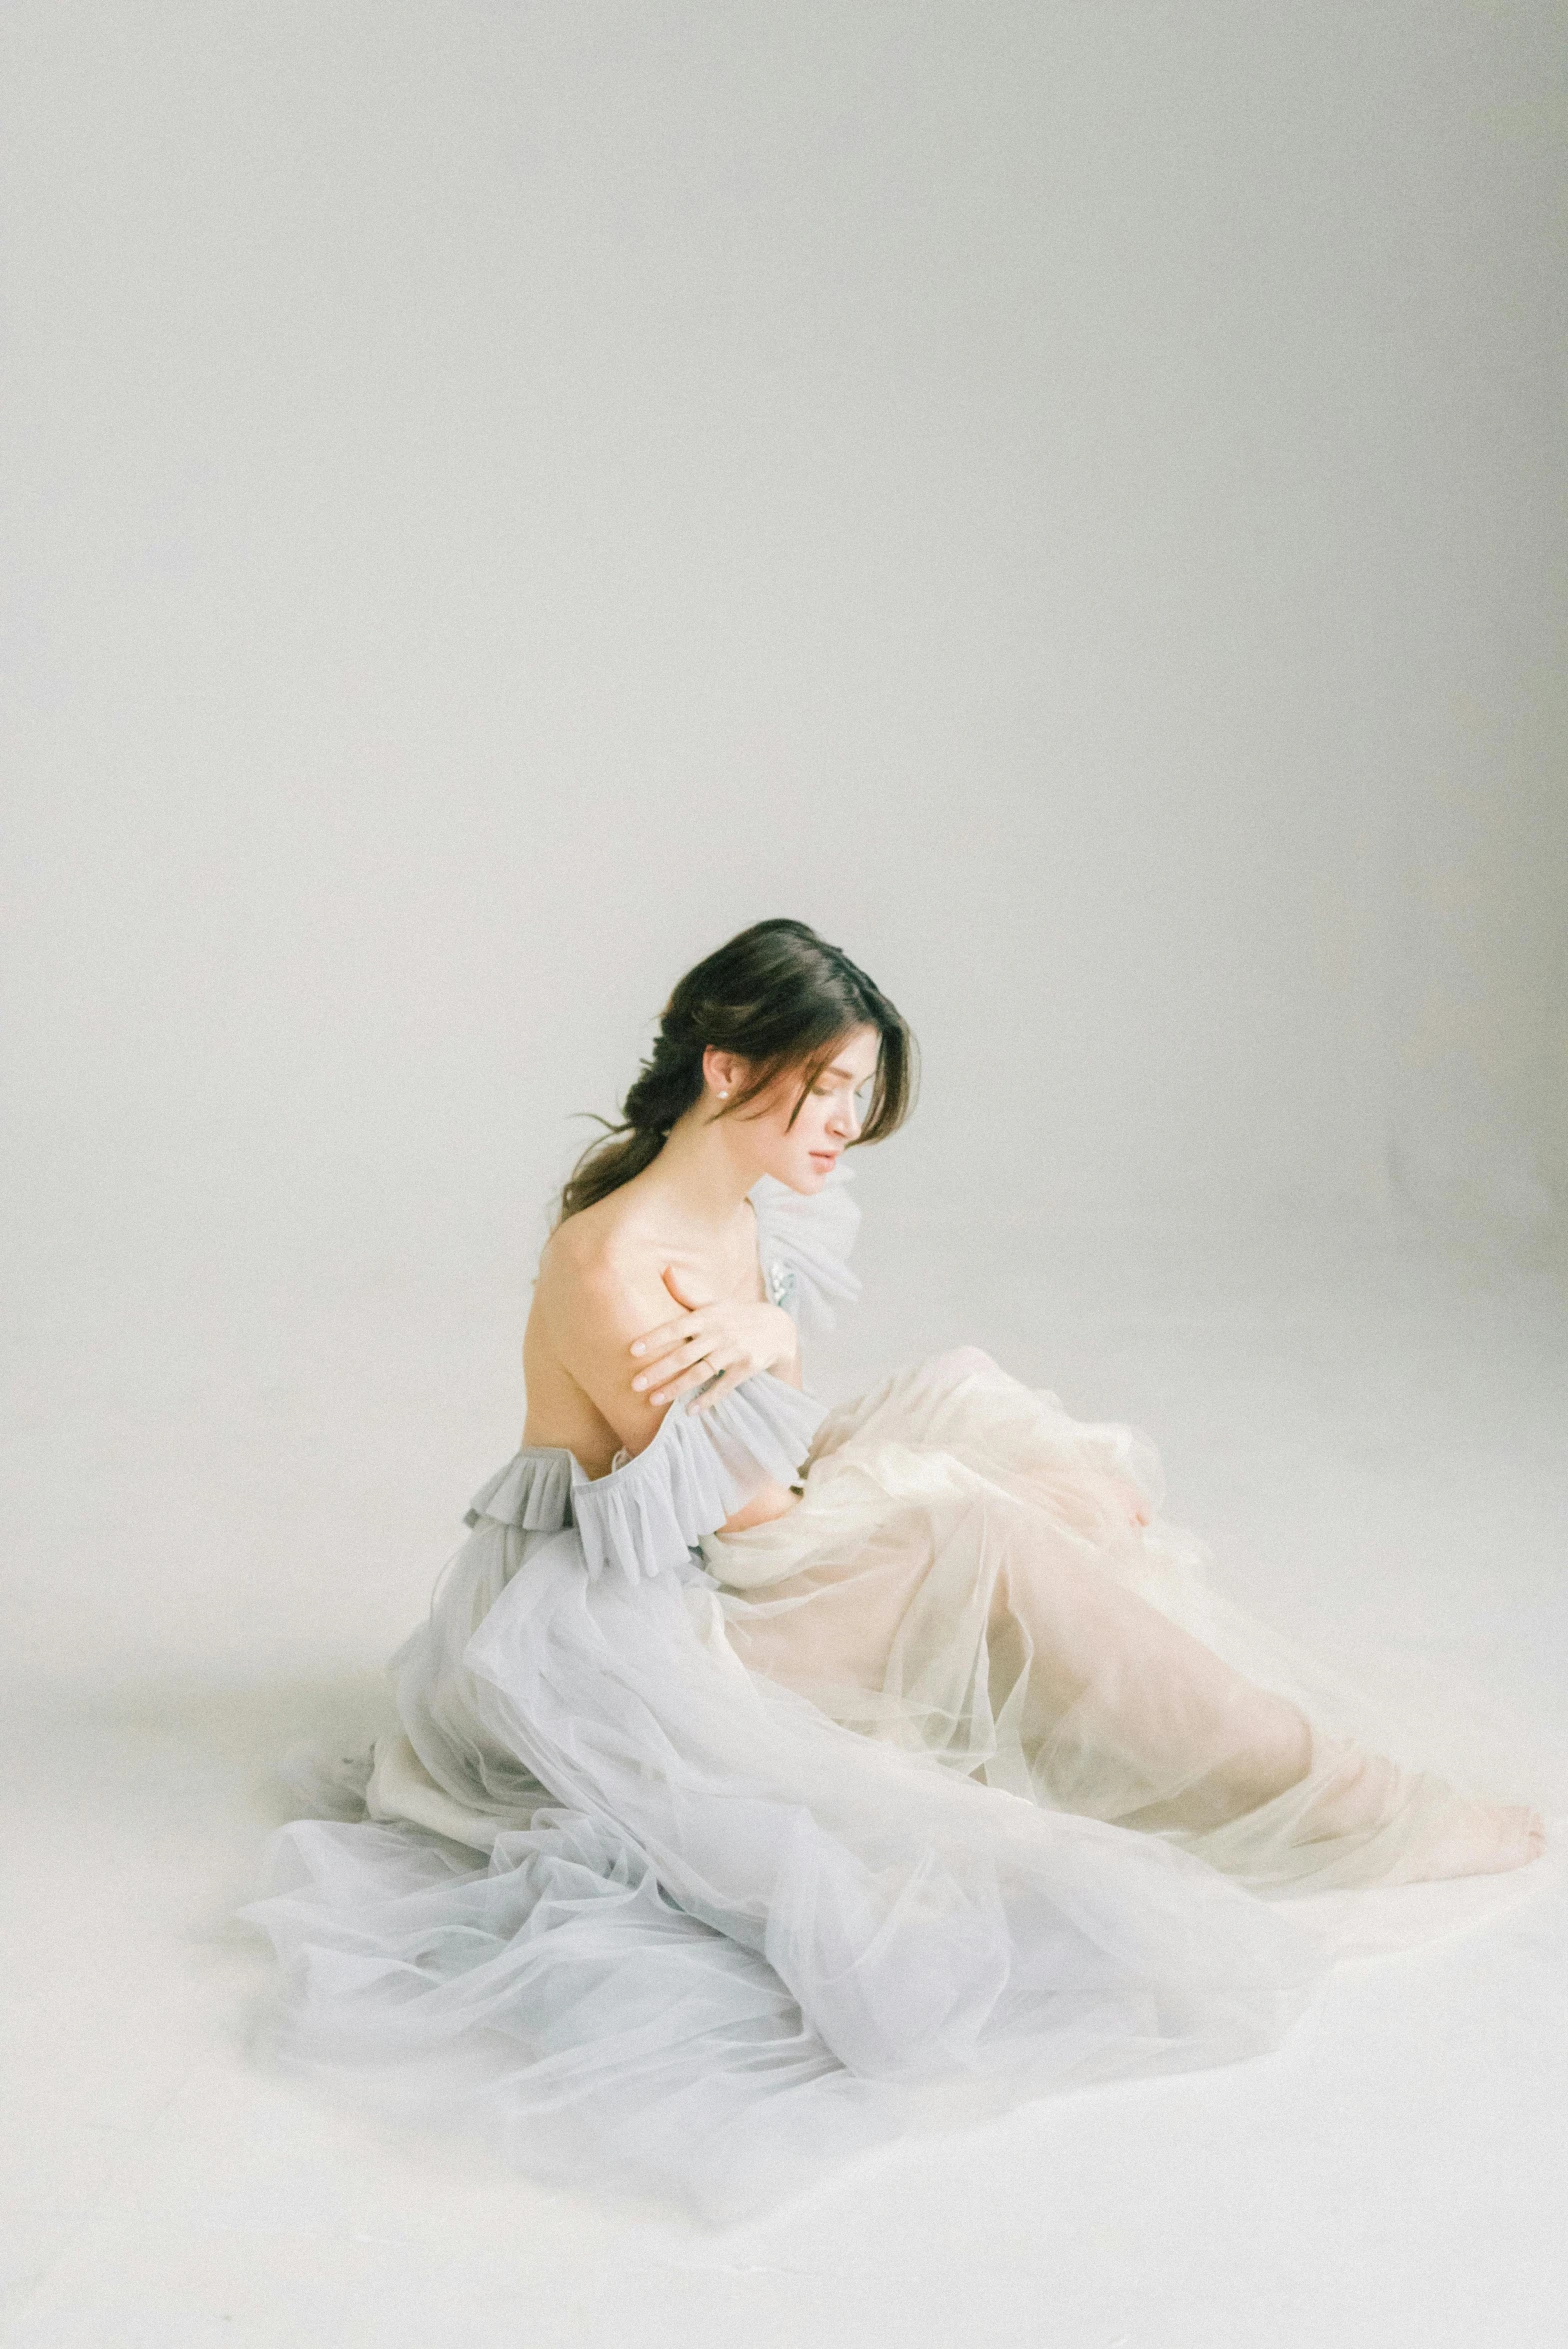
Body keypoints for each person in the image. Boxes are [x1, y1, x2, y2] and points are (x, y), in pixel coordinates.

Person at [244, 917, 1549, 2222]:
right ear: (726, 1068)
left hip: (729, 1531)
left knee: (991, 1440)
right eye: (826, 1092)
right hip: (646, 1611)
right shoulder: (616, 1262)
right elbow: (746, 1516)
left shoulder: (739, 1209)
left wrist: (767, 1332)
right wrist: (862, 1433)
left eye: (856, 1098)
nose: (844, 1130)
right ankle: (1339, 1801)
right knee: (979, 1531)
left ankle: (1237, 1759)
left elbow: (771, 1446)